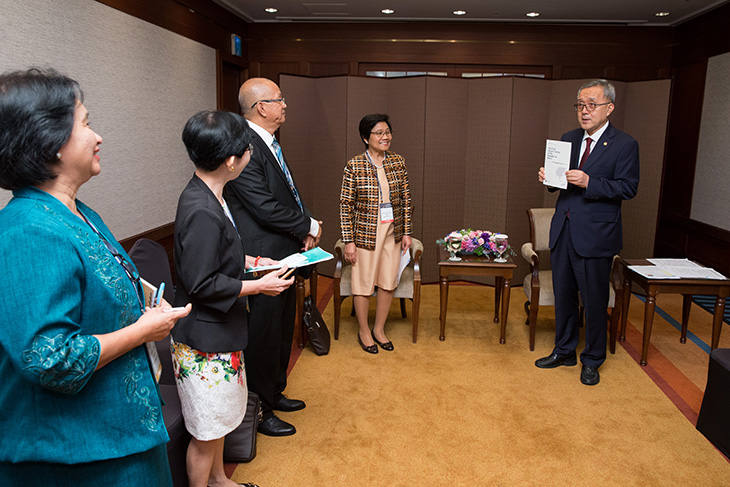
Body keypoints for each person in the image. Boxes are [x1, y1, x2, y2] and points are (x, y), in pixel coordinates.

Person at [0, 68, 191, 486]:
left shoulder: (80, 213)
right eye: (85, 124)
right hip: (77, 452)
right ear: (48, 141)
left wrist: (144, 315)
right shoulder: (28, 231)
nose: (98, 136)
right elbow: (50, 358)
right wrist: (143, 331)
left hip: (122, 428)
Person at [172, 111, 294, 487]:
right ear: (230, 160)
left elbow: (218, 253)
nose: (249, 156)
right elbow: (203, 282)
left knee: (221, 417)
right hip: (205, 340)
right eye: (246, 151)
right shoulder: (202, 210)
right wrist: (260, 286)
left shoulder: (209, 193)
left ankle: (220, 481)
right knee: (206, 430)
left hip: (221, 334)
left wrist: (254, 262)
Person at [225, 78, 321, 437]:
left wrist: (305, 227)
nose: (285, 106)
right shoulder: (245, 146)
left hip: (285, 251)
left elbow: (289, 196)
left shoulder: (270, 144)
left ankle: (275, 392)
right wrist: (307, 223)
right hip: (261, 255)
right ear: (261, 107)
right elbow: (263, 207)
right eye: (280, 100)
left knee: (281, 329)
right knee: (263, 333)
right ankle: (260, 409)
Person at [535, 79, 640, 385]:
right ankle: (564, 350)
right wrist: (548, 178)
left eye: (591, 105)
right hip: (563, 229)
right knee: (564, 295)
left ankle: (593, 358)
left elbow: (628, 187)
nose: (584, 111)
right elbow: (560, 182)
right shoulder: (568, 139)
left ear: (609, 108)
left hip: (596, 235)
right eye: (580, 105)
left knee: (594, 300)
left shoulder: (624, 144)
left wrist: (589, 182)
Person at [339, 114, 413, 354]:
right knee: (363, 283)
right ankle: (364, 330)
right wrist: (348, 241)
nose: (385, 137)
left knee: (388, 280)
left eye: (387, 132)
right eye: (379, 133)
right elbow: (345, 205)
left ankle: (379, 329)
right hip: (365, 234)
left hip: (392, 232)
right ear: (365, 137)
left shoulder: (398, 162)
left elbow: (405, 199)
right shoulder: (355, 165)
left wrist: (407, 233)